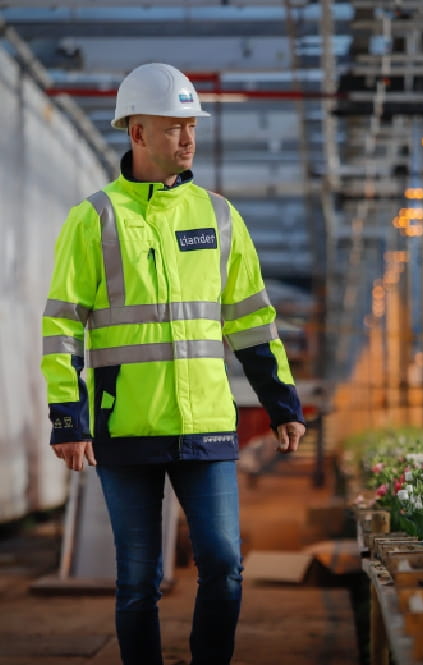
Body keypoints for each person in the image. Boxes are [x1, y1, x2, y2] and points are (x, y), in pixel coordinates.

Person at [41, 62, 306, 665]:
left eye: (192, 126)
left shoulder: (218, 217)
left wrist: (281, 404)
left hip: (206, 423)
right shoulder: (97, 218)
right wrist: (67, 417)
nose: (188, 139)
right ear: (136, 133)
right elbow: (61, 325)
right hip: (126, 425)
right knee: (138, 580)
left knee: (224, 563)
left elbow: (250, 320)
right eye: (173, 127)